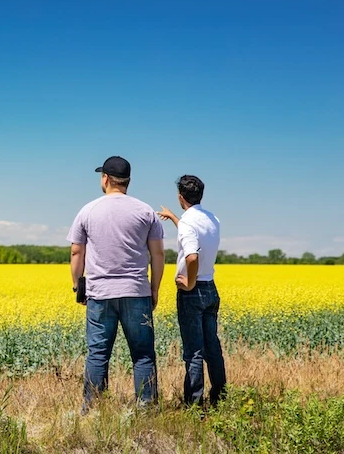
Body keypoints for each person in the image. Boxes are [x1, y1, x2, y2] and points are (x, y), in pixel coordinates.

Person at [67, 156, 165, 414]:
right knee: (143, 354)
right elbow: (158, 255)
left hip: (100, 294)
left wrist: (79, 287)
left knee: (98, 354)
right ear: (128, 181)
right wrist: (154, 289)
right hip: (136, 292)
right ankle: (146, 409)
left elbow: (77, 252)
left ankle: (94, 409)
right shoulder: (145, 211)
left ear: (106, 179)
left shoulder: (88, 210)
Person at [157, 175, 226, 408]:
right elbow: (194, 235)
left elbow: (192, 255)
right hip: (210, 288)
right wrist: (175, 218)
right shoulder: (212, 218)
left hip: (193, 292)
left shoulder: (188, 222)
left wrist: (189, 281)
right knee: (212, 347)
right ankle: (219, 397)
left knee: (194, 351)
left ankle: (193, 406)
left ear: (180, 197)